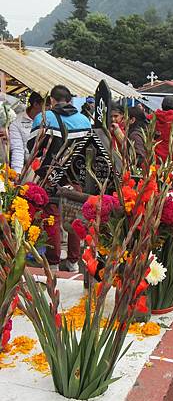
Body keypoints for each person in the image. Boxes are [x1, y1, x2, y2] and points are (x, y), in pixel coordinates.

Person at [28, 85, 92, 272]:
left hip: (51, 176)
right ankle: (73, 262)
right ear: (70, 100)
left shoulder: (44, 118)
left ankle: (54, 263)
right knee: (74, 219)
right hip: (75, 177)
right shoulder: (84, 120)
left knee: (52, 220)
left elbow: (34, 149)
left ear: (52, 101)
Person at [9, 92, 44, 173]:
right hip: (27, 168)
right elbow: (17, 149)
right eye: (47, 105)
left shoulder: (50, 120)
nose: (50, 108)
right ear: (35, 104)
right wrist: (17, 173)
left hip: (46, 168)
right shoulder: (17, 122)